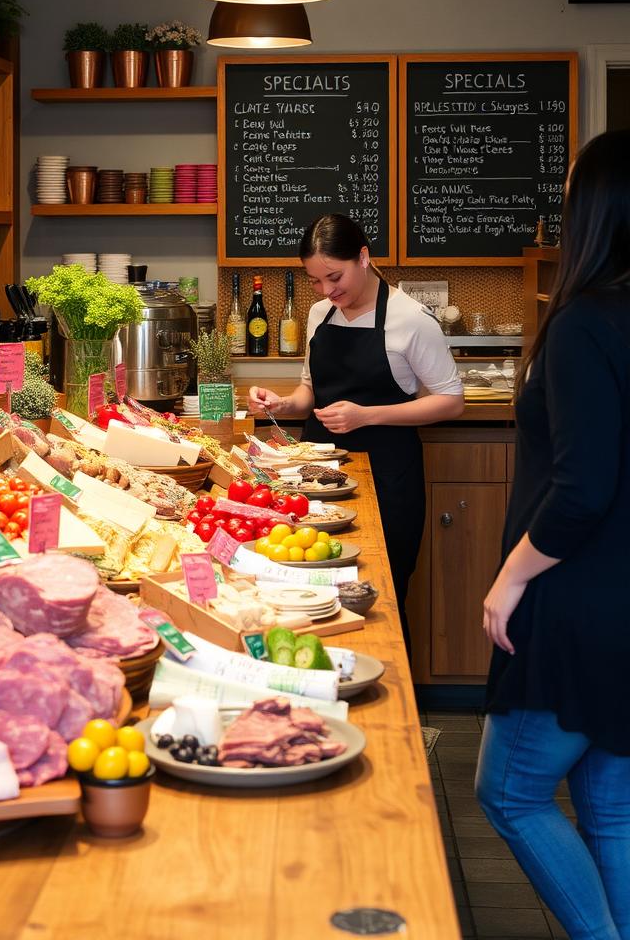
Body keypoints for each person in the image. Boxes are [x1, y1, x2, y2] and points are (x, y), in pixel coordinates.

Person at [476, 130, 630, 940]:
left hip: (575, 604)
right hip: (623, 603)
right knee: (611, 806)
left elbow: (581, 489)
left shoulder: (580, 326)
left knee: (510, 794)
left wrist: (510, 577)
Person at [247, 215, 464, 639]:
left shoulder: (411, 318)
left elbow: (451, 401)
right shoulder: (318, 314)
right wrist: (284, 403)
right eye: (314, 281)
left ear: (363, 258)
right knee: (312, 586)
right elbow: (310, 390)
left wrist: (366, 414)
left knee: (380, 593)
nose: (327, 291)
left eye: (334, 276)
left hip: (388, 476)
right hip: (316, 480)